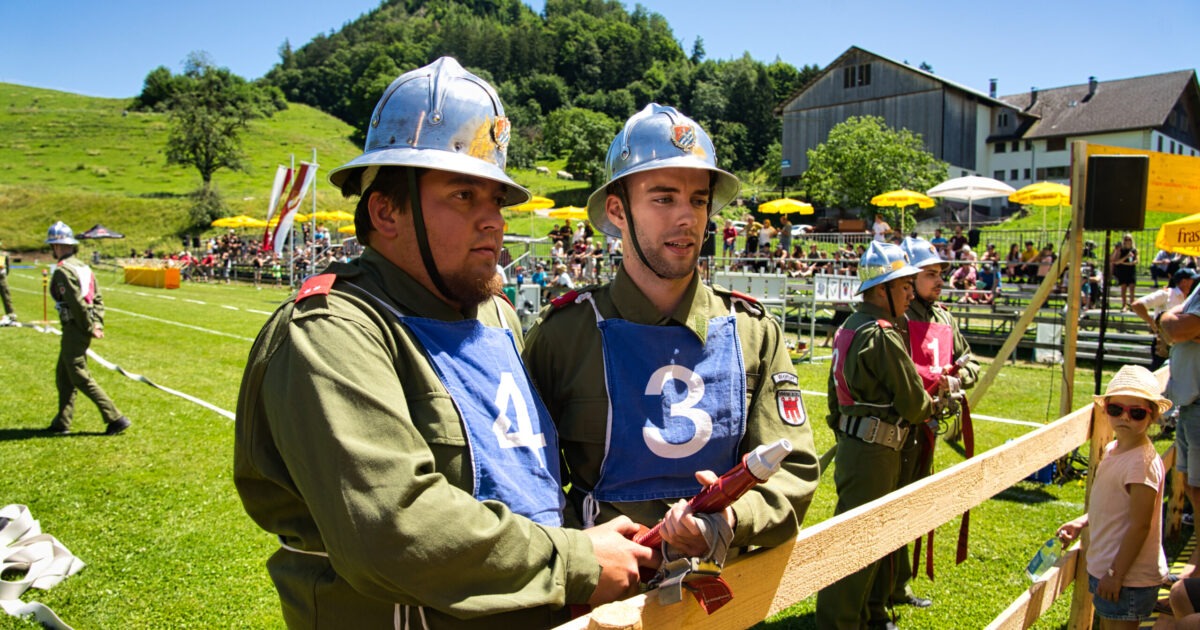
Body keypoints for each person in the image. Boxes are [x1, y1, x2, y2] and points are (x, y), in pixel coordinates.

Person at [233, 57, 653, 629]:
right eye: (463, 196)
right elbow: (394, 528)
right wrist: (575, 560)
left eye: (497, 201)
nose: (493, 222)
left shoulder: (498, 315)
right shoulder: (332, 331)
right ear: (385, 211)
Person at [523, 104, 819, 595]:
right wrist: (577, 553)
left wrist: (729, 520)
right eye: (663, 198)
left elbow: (793, 469)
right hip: (598, 600)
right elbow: (527, 479)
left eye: (699, 200)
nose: (687, 216)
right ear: (617, 211)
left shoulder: (752, 331)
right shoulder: (564, 333)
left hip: (720, 596)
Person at [816, 241, 935, 630]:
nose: (909, 293)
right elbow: (916, 405)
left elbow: (834, 400)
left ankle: (859, 614)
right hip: (876, 450)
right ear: (881, 290)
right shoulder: (883, 335)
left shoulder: (850, 326)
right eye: (902, 287)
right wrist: (937, 398)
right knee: (858, 542)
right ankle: (841, 621)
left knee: (857, 535)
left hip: (854, 444)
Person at [890, 237, 980, 611]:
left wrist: (956, 380)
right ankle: (883, 590)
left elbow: (970, 360)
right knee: (890, 509)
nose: (939, 280)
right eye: (930, 274)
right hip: (896, 429)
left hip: (929, 426)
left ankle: (900, 585)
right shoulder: (896, 317)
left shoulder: (944, 316)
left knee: (911, 507)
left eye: (941, 273)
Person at [1056, 365, 1171, 629]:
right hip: (1109, 569)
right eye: (1116, 410)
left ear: (1152, 416)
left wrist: (1115, 575)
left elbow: (1140, 525)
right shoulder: (1113, 449)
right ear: (1106, 408)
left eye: (1137, 413)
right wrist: (1083, 522)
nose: (1125, 418)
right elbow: (1113, 504)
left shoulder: (1141, 464)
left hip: (1127, 578)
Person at [44, 221, 130, 436]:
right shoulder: (83, 267)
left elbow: (77, 303)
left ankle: (115, 417)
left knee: (79, 375)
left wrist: (90, 326)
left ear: (57, 246)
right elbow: (97, 298)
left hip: (76, 327)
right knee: (63, 376)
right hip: (81, 325)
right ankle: (62, 421)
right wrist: (97, 322)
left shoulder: (64, 270)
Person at [1162, 278, 1200, 577]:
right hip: (1191, 406)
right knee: (1192, 488)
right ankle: (1195, 575)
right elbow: (1177, 325)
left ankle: (1195, 578)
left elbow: (1175, 329)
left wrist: (1171, 319)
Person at [1131, 268, 1196, 370]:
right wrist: (1153, 324)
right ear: (1184, 281)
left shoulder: (1190, 297)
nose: (1195, 283)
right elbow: (1137, 305)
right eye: (1193, 280)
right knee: (1159, 371)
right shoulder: (1166, 294)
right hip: (1163, 342)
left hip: (1179, 342)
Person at [1111, 233, 1139, 311]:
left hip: (1131, 270)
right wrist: (1126, 257)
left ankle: (1133, 305)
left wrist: (1126, 263)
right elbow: (1116, 261)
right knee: (1123, 289)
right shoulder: (1121, 250)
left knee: (1132, 289)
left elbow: (1136, 261)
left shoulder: (1134, 250)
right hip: (1122, 270)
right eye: (1126, 239)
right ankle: (1124, 305)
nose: (1127, 241)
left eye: (1129, 239)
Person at [0, 242, 16, 325]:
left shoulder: (3, 254)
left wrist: (5, 275)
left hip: (1, 277)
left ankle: (11, 314)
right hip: (2, 276)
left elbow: (7, 266)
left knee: (6, 297)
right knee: (6, 296)